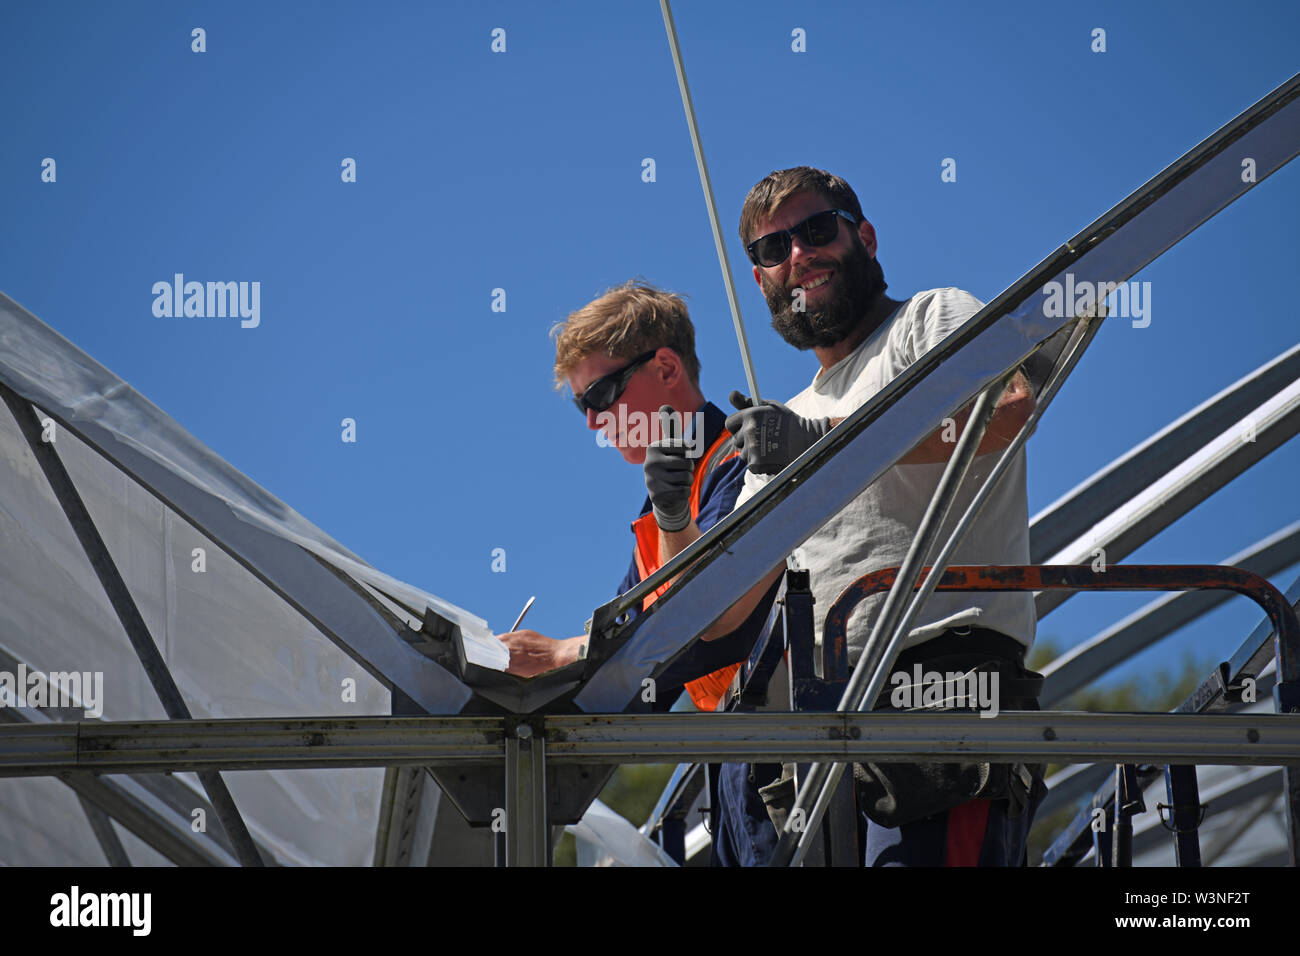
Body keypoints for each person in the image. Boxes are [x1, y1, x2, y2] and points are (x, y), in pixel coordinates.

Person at [705, 166, 1044, 866]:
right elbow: (724, 609)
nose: (797, 255)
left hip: (943, 687)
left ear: (865, 235)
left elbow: (1008, 409)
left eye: (815, 230)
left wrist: (823, 445)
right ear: (762, 280)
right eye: (773, 250)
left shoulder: (929, 319)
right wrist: (679, 517)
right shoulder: (784, 421)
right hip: (815, 733)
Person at [499, 281, 763, 716]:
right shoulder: (654, 517)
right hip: (740, 753)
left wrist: (560, 656)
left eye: (601, 395)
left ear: (666, 369)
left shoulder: (742, 460)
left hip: (791, 747)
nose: (591, 421)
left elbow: (705, 625)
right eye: (580, 405)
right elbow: (632, 676)